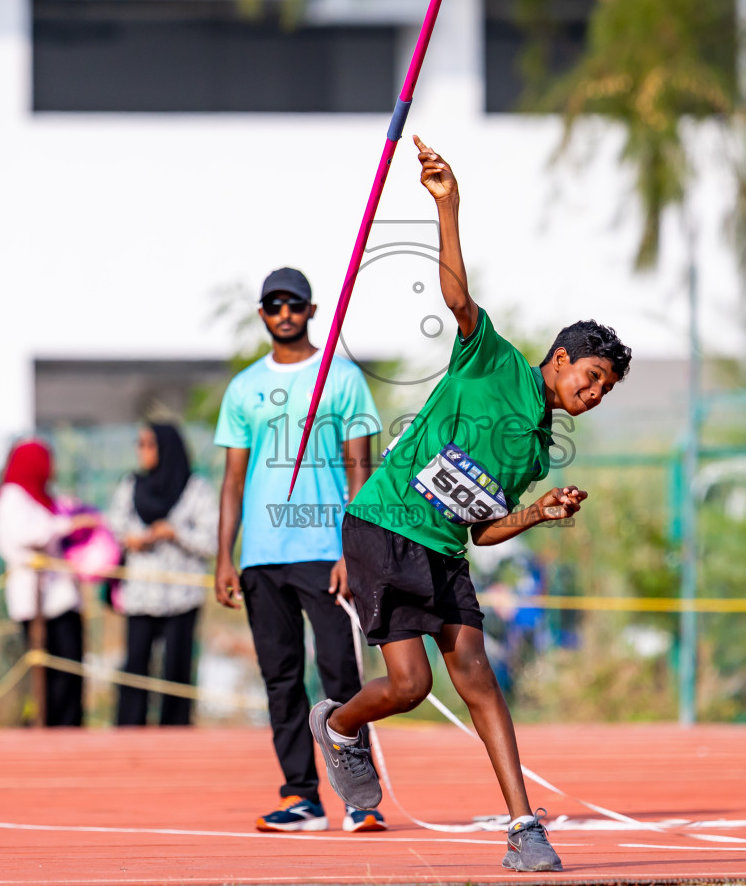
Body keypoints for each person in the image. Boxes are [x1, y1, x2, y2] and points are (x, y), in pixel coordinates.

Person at [310, 136, 632, 874]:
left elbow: (484, 530)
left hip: (444, 549)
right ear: (558, 359)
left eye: (605, 389)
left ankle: (523, 827)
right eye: (590, 376)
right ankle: (340, 725)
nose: (593, 392)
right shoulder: (492, 359)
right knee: (410, 687)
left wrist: (539, 513)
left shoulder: (537, 449)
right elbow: (457, 296)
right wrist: (447, 203)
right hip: (382, 525)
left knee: (476, 674)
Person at [214, 265, 386, 833]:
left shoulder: (341, 378)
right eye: (273, 305)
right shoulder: (242, 388)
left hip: (326, 550)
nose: (284, 313)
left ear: (312, 311)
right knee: (280, 677)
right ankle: (302, 797)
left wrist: (352, 550)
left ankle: (358, 799)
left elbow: (362, 468)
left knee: (340, 673)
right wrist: (224, 557)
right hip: (262, 556)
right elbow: (233, 480)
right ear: (262, 313)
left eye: (294, 304)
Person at [108, 421, 218, 726]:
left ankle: (175, 731)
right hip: (141, 593)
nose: (141, 450)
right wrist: (134, 538)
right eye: (139, 443)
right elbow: (115, 526)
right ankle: (129, 729)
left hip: (181, 595)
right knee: (135, 664)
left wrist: (174, 533)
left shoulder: (196, 490)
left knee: (176, 667)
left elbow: (212, 540)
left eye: (148, 444)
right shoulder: (131, 485)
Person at [0, 439, 96, 727]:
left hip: (59, 597)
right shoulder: (12, 497)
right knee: (52, 672)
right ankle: (50, 727)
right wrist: (66, 525)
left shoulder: (40, 497)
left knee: (70, 667)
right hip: (34, 598)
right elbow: (26, 534)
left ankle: (69, 727)